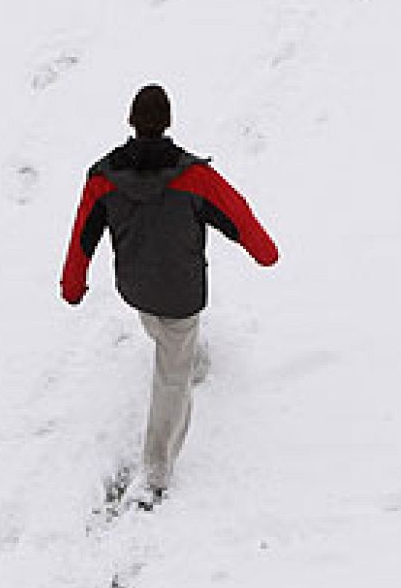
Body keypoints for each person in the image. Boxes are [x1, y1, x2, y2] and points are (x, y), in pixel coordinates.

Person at [60, 83, 278, 506]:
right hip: (180, 294)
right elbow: (238, 215)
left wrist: (73, 284)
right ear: (168, 124)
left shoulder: (103, 178)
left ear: (131, 122)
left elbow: (81, 236)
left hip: (136, 287)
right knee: (172, 378)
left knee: (163, 331)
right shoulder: (195, 178)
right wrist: (264, 253)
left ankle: (186, 357)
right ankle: (157, 470)